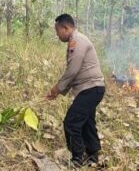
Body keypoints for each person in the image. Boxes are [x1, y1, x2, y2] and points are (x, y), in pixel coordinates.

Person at [46, 14, 106, 167]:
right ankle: (93, 155)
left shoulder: (77, 41)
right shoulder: (77, 40)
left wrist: (57, 89)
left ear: (65, 28)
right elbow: (74, 72)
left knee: (71, 123)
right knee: (87, 122)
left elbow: (72, 70)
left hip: (91, 89)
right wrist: (59, 91)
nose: (57, 34)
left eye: (57, 31)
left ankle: (77, 158)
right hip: (93, 88)